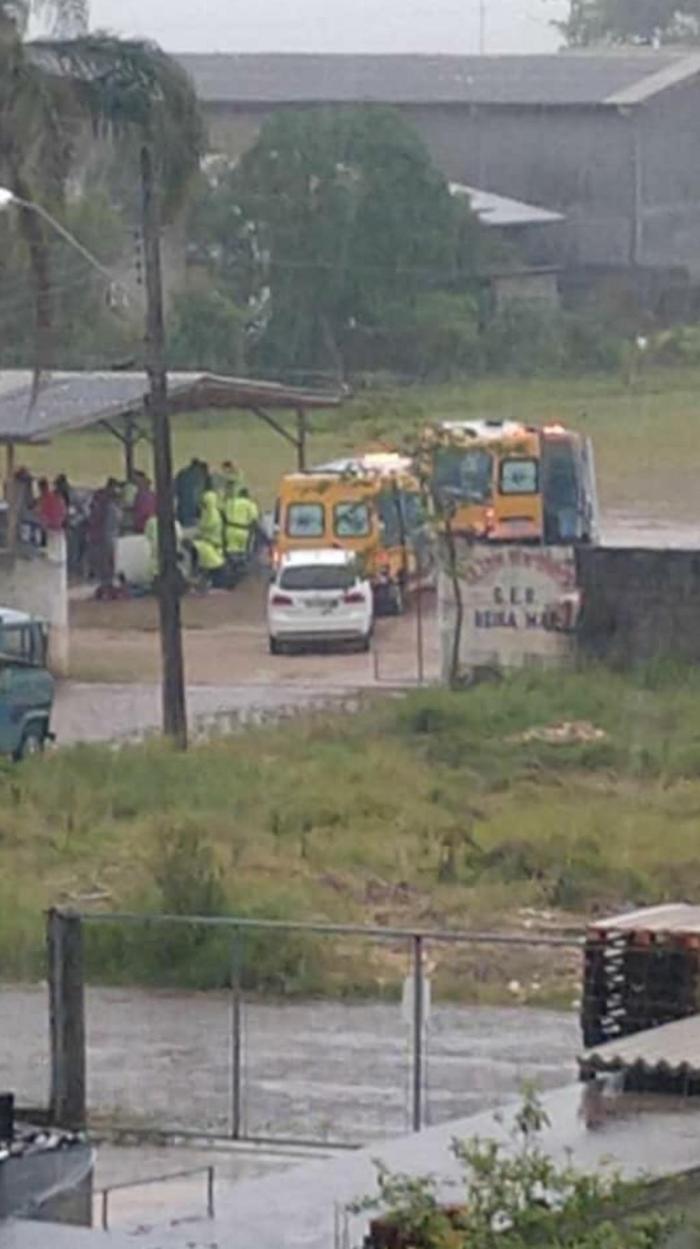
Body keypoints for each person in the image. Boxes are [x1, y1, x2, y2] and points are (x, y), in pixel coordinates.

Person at [87, 478, 122, 597]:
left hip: (106, 536)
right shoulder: (108, 504)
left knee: (106, 564)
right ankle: (106, 586)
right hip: (106, 537)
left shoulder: (105, 503)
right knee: (106, 563)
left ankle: (106, 586)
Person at [192, 475, 226, 585]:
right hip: (212, 545)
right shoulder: (212, 512)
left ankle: (196, 573)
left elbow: (206, 527)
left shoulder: (211, 515)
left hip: (210, 546)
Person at [144, 513, 184, 584]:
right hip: (165, 557)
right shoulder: (175, 523)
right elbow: (179, 539)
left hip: (160, 557)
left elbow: (147, 537)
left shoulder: (152, 521)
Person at [223, 486, 260, 558]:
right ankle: (240, 564)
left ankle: (231, 564)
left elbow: (223, 512)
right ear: (247, 495)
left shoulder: (231, 502)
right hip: (243, 530)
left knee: (231, 550)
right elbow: (254, 517)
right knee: (242, 551)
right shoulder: (250, 504)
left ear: (239, 494)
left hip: (230, 530)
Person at [175, 458, 208, 528]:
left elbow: (174, 491)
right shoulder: (199, 476)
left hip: (181, 513)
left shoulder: (181, 473)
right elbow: (198, 495)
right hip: (193, 516)